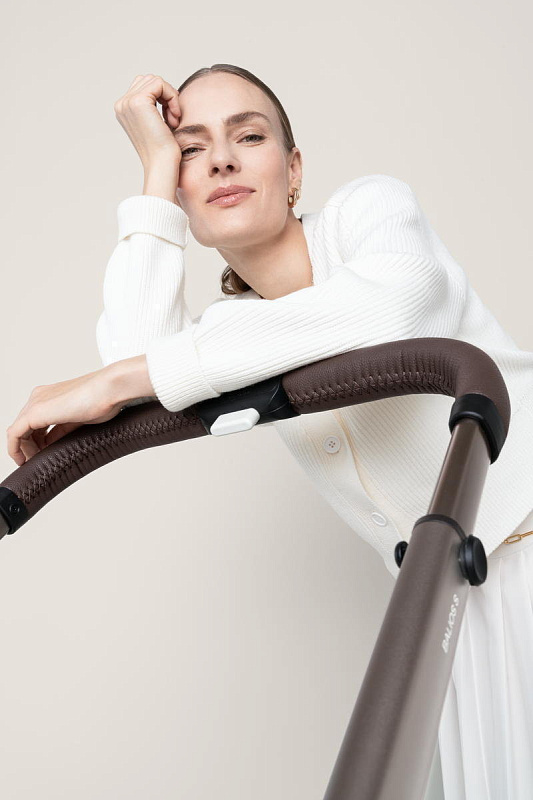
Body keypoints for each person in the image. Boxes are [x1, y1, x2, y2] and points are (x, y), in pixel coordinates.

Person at [8, 64, 533, 798]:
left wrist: (124, 380)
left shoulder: (368, 213)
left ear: (293, 171)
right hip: (450, 602)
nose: (221, 160)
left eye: (248, 137)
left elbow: (394, 310)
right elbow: (134, 368)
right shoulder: (232, 334)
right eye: (192, 150)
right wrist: (153, 169)